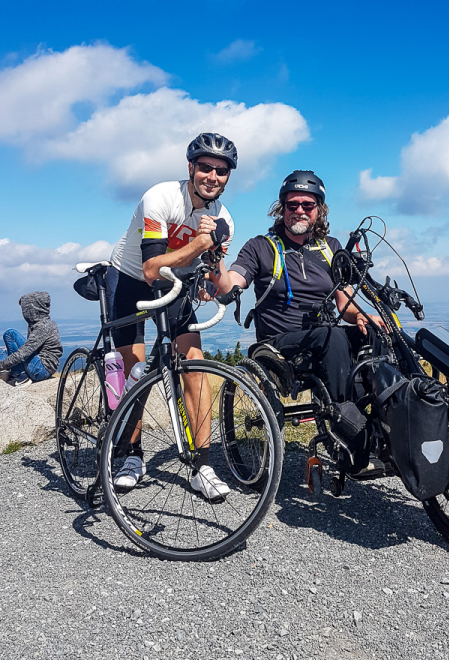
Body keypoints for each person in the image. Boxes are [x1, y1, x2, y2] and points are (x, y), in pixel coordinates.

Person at [108, 133, 237, 499]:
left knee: (194, 363)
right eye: (206, 168)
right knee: (135, 369)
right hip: (132, 279)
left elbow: (217, 275)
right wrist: (199, 243)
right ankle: (130, 456)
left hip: (173, 284)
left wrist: (217, 281)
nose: (212, 176)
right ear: (191, 168)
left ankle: (202, 464)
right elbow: (150, 268)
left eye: (221, 171)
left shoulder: (223, 217)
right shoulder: (161, 197)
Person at [215, 170, 386, 404]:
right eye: (292, 205)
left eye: (308, 205)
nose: (299, 211)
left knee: (378, 334)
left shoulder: (331, 247)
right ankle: (346, 419)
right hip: (278, 343)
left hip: (325, 337)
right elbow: (233, 281)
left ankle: (384, 414)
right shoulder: (260, 247)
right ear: (282, 208)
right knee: (333, 337)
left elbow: (345, 303)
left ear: (319, 209)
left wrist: (361, 316)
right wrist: (215, 259)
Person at [0, 292, 63, 389]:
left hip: (41, 369)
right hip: (40, 366)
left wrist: (2, 365)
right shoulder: (39, 324)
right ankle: (13, 374)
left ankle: (19, 377)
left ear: (33, 308)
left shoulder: (43, 326)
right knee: (3, 352)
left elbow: (23, 353)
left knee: (10, 333)